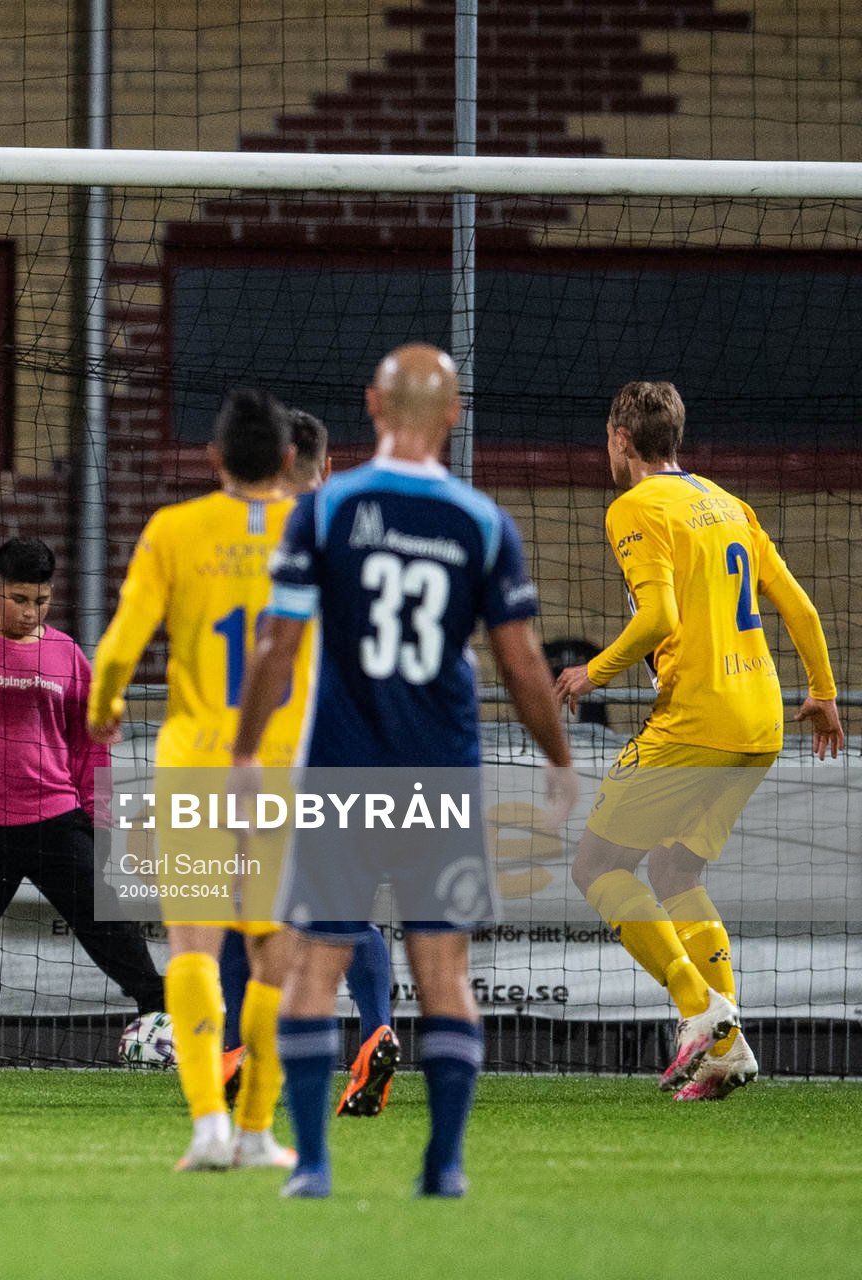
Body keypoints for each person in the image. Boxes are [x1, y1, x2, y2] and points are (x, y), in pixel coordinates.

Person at [234, 343, 576, 1198]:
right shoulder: (482, 522)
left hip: (342, 773)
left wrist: (243, 752)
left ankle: (312, 1164)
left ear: (373, 409)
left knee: (314, 963)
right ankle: (443, 1165)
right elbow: (522, 663)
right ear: (454, 416)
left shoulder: (326, 511)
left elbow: (277, 646)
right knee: (445, 970)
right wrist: (559, 758)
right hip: (441, 777)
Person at [554, 381, 843, 1100]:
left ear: (621, 437)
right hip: (763, 718)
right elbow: (801, 605)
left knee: (597, 866)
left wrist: (591, 672)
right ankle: (730, 1049)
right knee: (677, 872)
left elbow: (657, 618)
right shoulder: (728, 503)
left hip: (698, 716)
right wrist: (826, 694)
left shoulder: (634, 507)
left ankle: (698, 1012)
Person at [88, 386, 313, 1172]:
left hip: (192, 763)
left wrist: (104, 704)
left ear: (213, 457)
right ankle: (256, 1132)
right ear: (290, 460)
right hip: (281, 768)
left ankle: (208, 1126)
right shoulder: (314, 530)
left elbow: (118, 646)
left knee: (191, 949)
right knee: (274, 955)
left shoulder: (173, 530)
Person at [215, 408, 401, 1121]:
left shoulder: (229, 531)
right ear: (325, 465)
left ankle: (238, 1050)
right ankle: (377, 1025)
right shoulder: (357, 534)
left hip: (260, 752)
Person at [0, 536, 163, 1063]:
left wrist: (96, 821)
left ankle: (163, 1013)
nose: (29, 611)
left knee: (108, 926)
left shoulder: (68, 656)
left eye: (40, 600)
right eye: (19, 599)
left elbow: (91, 746)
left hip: (54, 818)